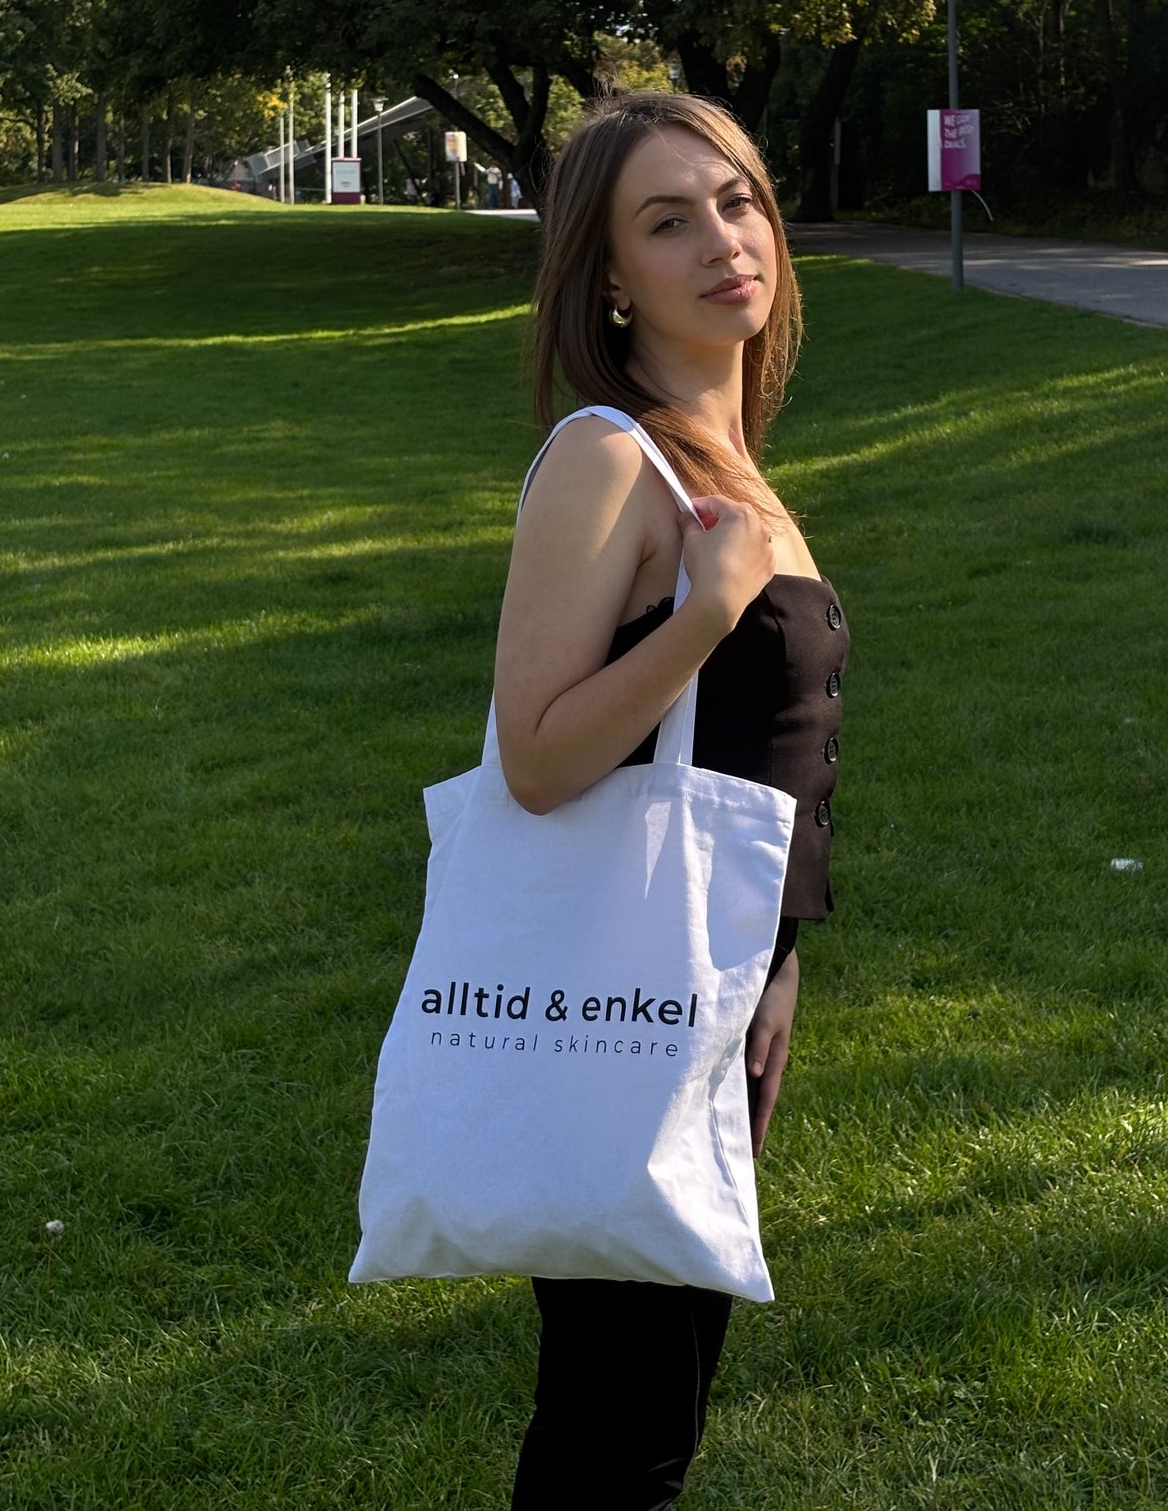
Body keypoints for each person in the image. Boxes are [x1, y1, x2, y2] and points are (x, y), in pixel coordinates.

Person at [493, 90, 849, 1509]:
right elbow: (535, 757)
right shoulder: (608, 457)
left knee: (653, 1408)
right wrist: (704, 617)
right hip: (623, 1007)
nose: (724, 239)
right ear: (609, 278)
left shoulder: (729, 456)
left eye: (738, 200)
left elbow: (763, 753)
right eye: (669, 220)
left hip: (717, 988)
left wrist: (781, 960)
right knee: (619, 1427)